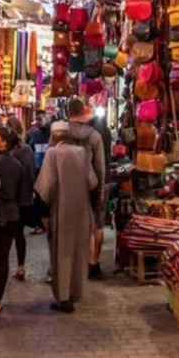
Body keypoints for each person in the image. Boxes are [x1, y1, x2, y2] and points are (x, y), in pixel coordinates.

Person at [35, 122, 97, 313]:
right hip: (81, 210)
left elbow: (45, 186)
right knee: (79, 251)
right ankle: (75, 292)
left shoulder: (53, 154)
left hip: (60, 210)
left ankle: (63, 298)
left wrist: (43, 215)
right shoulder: (82, 153)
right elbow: (92, 183)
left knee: (62, 253)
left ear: (54, 136)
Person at [66, 98, 107, 281]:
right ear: (83, 111)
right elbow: (100, 167)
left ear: (67, 112)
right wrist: (100, 189)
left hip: (67, 185)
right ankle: (92, 262)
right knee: (94, 224)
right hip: (90, 184)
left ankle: (71, 264)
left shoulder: (61, 133)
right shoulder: (95, 135)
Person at [0, 127, 24, 314]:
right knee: (2, 259)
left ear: (3, 143)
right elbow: (23, 194)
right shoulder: (17, 165)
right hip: (11, 214)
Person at [5, 116, 35, 282]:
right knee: (18, 234)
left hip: (10, 198)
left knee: (7, 234)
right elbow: (30, 175)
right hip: (22, 198)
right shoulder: (28, 150)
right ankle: (20, 266)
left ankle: (6, 267)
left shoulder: (8, 152)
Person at [25, 110, 52, 235]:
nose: (38, 122)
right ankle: (41, 224)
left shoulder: (52, 134)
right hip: (37, 169)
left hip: (49, 169)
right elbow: (30, 149)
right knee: (39, 199)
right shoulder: (33, 134)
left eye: (40, 119)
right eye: (37, 119)